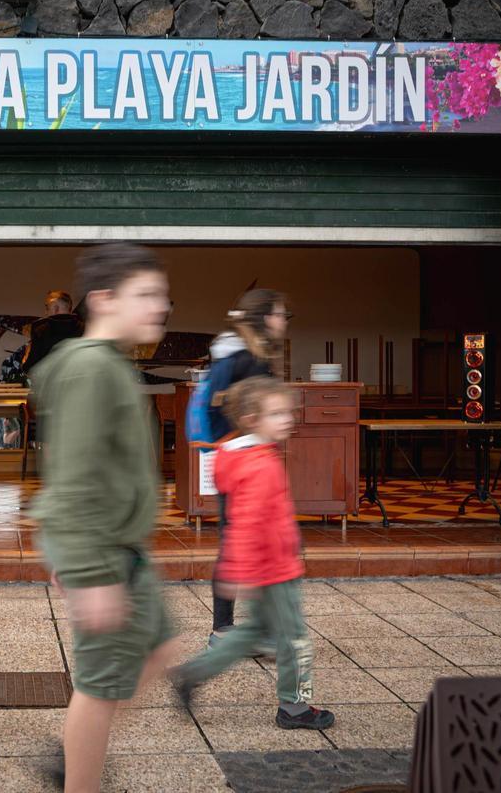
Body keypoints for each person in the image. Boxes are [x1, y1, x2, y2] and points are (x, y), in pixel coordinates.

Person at [30, 243, 179, 793]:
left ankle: (78, 754)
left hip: (126, 549)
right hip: (106, 556)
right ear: (103, 299)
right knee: (98, 689)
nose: (160, 307)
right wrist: (85, 568)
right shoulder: (90, 369)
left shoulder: (108, 364)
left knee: (159, 650)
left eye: (163, 296)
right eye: (146, 295)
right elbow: (72, 473)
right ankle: (79, 773)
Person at [171, 375, 335, 732]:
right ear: (251, 420)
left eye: (287, 412)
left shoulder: (246, 457)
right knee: (294, 640)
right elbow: (247, 523)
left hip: (267, 566)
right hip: (275, 568)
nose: (287, 419)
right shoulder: (260, 466)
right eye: (276, 414)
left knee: (257, 631)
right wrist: (235, 570)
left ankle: (194, 673)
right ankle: (295, 707)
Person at [204, 288, 291, 648]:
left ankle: (245, 630)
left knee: (252, 541)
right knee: (239, 541)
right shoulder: (245, 359)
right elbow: (218, 407)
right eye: (281, 314)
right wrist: (245, 435)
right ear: (265, 318)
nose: (284, 321)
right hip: (242, 462)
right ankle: (224, 630)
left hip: (242, 458)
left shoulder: (247, 354)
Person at [21, 289, 85, 376]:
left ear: (56, 308)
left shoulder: (41, 330)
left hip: (50, 386)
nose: (46, 312)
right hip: (78, 384)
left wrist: (24, 361)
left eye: (47, 308)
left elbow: (31, 367)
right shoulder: (85, 328)